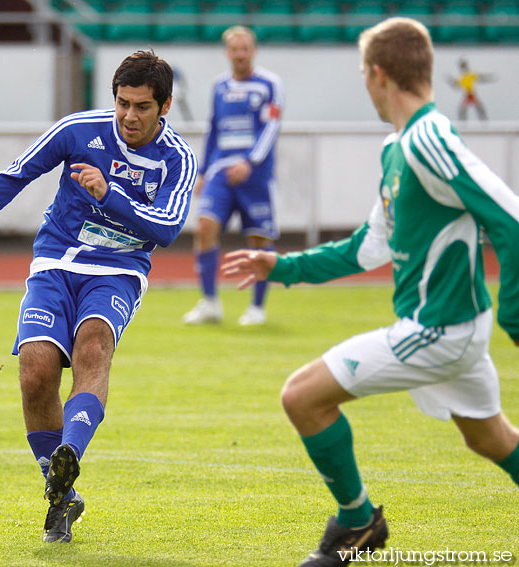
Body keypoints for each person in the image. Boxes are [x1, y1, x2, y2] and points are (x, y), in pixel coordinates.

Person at [222, 17, 519, 566]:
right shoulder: (399, 148)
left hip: (438, 330)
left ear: (379, 74)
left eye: (363, 72)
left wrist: (517, 318)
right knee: (491, 440)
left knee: (302, 396)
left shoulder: (429, 139)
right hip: (455, 328)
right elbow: (367, 248)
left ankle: (358, 523)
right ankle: (359, 522)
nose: (364, 82)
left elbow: (510, 218)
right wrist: (281, 265)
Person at [0, 49, 196, 544]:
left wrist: (108, 195)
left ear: (165, 105)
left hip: (118, 271)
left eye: (142, 106)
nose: (129, 116)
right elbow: (19, 171)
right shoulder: (79, 129)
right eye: (122, 103)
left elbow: (167, 228)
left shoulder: (177, 159)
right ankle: (59, 492)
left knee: (93, 348)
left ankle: (68, 454)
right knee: (35, 372)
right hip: (57, 260)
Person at [182, 25, 282, 326]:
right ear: (227, 52)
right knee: (204, 227)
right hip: (220, 171)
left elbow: (272, 127)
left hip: (255, 174)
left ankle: (257, 307)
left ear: (254, 51)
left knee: (259, 239)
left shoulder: (269, 84)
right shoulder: (219, 86)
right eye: (234, 49)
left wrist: (250, 163)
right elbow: (212, 128)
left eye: (245, 49)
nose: (240, 54)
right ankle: (210, 301)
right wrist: (201, 170)